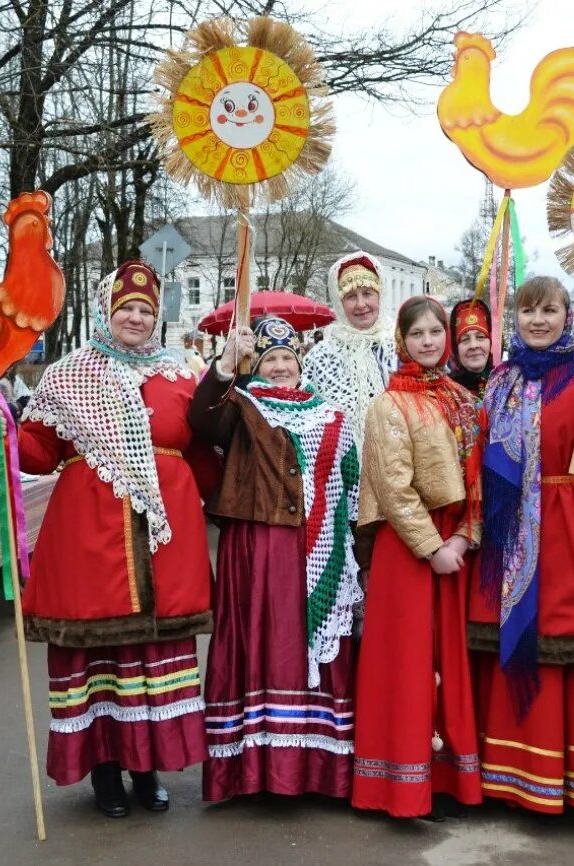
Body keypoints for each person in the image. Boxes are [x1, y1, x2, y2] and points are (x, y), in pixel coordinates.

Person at [18, 260, 220, 818]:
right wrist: (6, 428)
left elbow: (202, 455)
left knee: (152, 655)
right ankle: (105, 774)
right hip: (91, 539)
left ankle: (145, 769)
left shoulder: (180, 375)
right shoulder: (70, 374)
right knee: (99, 656)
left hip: (164, 542)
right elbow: (40, 451)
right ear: (108, 311)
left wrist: (236, 502)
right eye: (126, 308)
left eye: (146, 310)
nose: (136, 317)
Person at [472, 276, 574, 815]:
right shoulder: (500, 382)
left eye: (549, 310)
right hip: (511, 534)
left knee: (572, 651)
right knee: (519, 652)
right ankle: (514, 777)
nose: (537, 320)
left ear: (568, 315)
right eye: (527, 310)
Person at [189, 317, 362, 802]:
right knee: (263, 643)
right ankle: (257, 770)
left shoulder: (331, 413)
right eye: (270, 359)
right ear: (257, 366)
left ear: (300, 361)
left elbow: (347, 481)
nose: (282, 366)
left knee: (311, 651)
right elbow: (201, 421)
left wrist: (349, 547)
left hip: (320, 546)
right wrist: (226, 366)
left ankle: (316, 770)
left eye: (288, 358)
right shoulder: (241, 407)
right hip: (259, 545)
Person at [352, 296, 483, 821]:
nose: (428, 342)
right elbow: (392, 486)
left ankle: (448, 778)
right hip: (408, 549)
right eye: (417, 334)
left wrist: (464, 538)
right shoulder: (390, 405)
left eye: (435, 332)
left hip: (453, 542)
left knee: (448, 658)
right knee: (406, 660)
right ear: (401, 341)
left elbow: (478, 479)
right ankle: (401, 784)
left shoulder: (461, 400)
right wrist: (431, 547)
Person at [304, 252, 397, 450]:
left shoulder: (401, 347)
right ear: (339, 303)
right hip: (341, 467)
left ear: (380, 295)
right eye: (351, 297)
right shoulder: (321, 358)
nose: (361, 304)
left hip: (398, 463)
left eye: (367, 293)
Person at [448, 298, 493, 400]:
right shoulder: (447, 391)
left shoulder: (506, 385)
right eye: (465, 339)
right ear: (455, 348)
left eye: (481, 337)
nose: (473, 345)